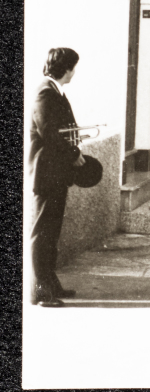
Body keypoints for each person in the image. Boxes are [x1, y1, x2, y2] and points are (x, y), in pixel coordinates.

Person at [29, 47, 86, 306]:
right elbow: (49, 132)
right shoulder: (45, 92)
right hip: (46, 173)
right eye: (74, 67)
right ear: (66, 68)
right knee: (43, 233)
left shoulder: (55, 92)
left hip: (56, 173)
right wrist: (73, 152)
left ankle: (51, 284)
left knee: (51, 233)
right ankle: (41, 292)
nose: (75, 72)